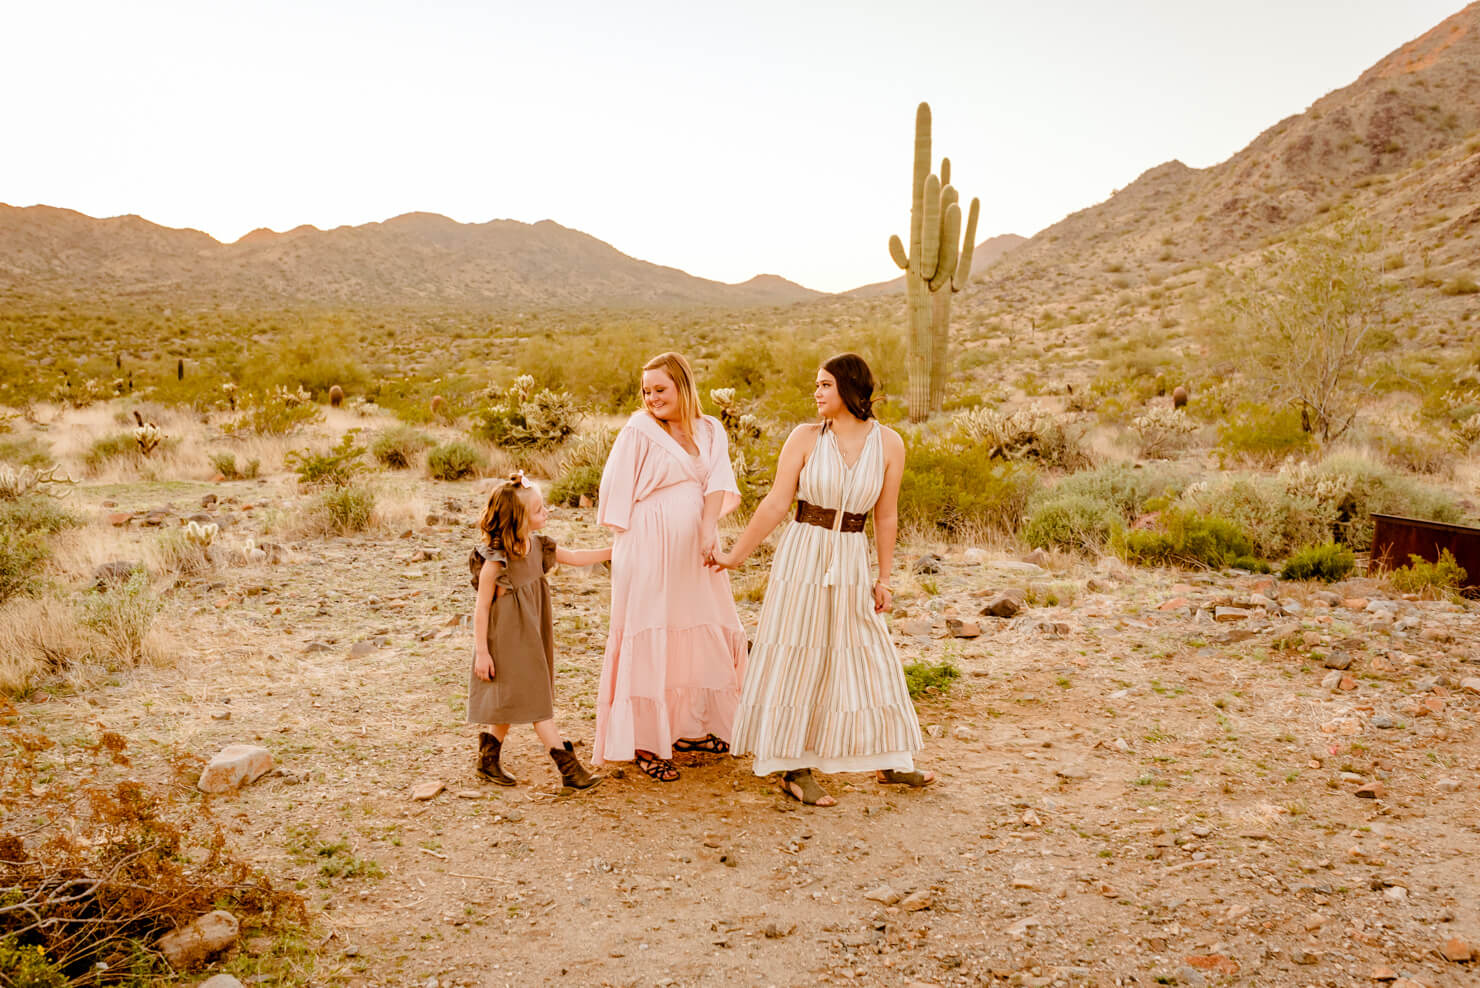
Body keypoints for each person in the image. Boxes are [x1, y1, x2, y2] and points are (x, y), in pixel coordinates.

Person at [708, 353, 933, 806]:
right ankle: (794, 766)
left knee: (868, 652)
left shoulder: (889, 444)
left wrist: (884, 578)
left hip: (851, 556)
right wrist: (735, 555)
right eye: (817, 385)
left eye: (825, 385)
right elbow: (776, 503)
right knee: (800, 650)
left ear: (850, 389)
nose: (817, 393)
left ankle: (890, 757)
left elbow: (885, 515)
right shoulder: (805, 437)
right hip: (803, 554)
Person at [594, 352, 748, 782]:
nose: (651, 398)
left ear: (683, 385)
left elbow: (718, 483)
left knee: (702, 625)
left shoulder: (712, 429)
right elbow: (615, 492)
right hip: (647, 549)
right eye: (646, 391)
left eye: (660, 389)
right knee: (652, 629)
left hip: (697, 550)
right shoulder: (638, 430)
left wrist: (706, 530)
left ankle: (688, 727)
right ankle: (645, 741)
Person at [468, 472, 609, 791]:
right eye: (539, 510)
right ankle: (569, 771)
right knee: (536, 701)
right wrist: (482, 651)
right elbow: (481, 608)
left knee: (514, 696)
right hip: (506, 638)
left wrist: (612, 551)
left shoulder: (539, 546)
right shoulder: (496, 561)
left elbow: (574, 557)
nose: (546, 513)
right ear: (518, 519)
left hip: (531, 631)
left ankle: (487, 760)